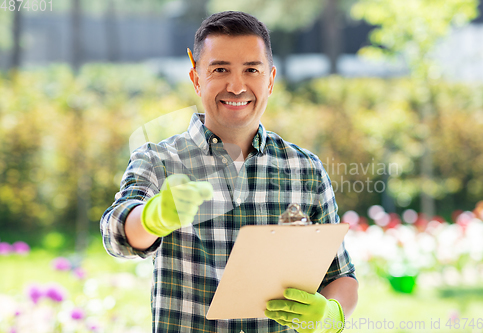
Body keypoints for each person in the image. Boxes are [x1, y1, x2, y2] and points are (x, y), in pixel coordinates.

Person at [101, 11, 358, 333]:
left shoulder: (305, 169)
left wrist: (331, 315)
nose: (236, 86)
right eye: (220, 69)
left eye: (251, 70)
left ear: (271, 80)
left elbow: (341, 276)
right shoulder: (158, 160)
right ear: (196, 79)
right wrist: (154, 217)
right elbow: (117, 234)